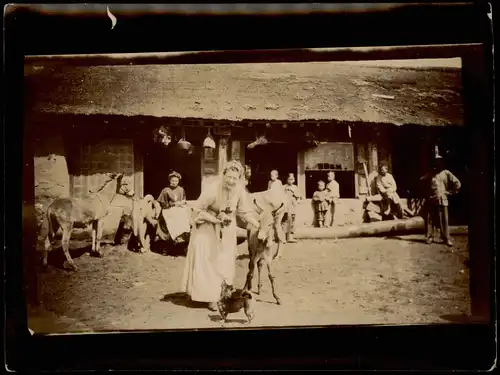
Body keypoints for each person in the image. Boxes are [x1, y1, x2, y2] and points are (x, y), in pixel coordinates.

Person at [180, 160, 260, 311]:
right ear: (223, 175)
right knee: (209, 261)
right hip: (207, 227)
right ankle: (209, 297)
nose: (231, 181)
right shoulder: (212, 189)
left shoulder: (240, 191)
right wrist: (215, 219)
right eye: (228, 177)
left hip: (227, 230)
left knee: (225, 261)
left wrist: (256, 224)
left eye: (235, 178)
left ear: (239, 178)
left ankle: (221, 294)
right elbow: (197, 210)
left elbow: (244, 212)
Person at [420, 155, 461, 246]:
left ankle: (446, 238)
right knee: (430, 219)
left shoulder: (446, 173)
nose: (437, 163)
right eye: (435, 161)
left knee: (444, 220)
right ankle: (429, 237)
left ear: (442, 163)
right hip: (431, 200)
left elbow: (457, 183)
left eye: (439, 162)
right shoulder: (430, 174)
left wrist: (451, 192)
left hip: (442, 199)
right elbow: (422, 181)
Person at [156, 172, 190, 243]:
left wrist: (182, 202)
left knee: (186, 215)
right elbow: (163, 204)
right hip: (168, 209)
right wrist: (173, 204)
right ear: (170, 181)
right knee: (173, 218)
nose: (174, 182)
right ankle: (174, 236)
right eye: (173, 181)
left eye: (176, 181)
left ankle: (182, 235)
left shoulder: (181, 189)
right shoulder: (165, 190)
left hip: (179, 208)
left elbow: (184, 199)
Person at [283, 173, 301, 243]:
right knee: (285, 221)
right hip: (286, 206)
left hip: (292, 206)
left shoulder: (295, 187)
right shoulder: (284, 187)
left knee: (292, 222)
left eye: (292, 179)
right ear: (287, 180)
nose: (291, 180)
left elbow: (298, 197)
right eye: (289, 179)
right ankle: (284, 237)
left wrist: (296, 200)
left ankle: (290, 237)